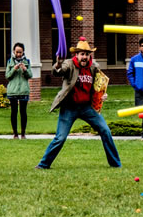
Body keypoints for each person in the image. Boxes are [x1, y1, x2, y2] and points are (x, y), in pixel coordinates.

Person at [36, 38, 121, 169]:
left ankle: (115, 164)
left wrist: (102, 95)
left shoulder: (94, 67)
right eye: (82, 54)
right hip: (69, 107)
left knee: (105, 130)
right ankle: (43, 165)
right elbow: (57, 72)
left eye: (87, 54)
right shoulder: (69, 64)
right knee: (60, 137)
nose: (84, 57)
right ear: (77, 55)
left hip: (87, 107)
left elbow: (98, 86)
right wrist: (58, 64)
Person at [5, 43, 31, 139]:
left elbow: (30, 75)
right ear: (13, 52)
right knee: (14, 112)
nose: (19, 54)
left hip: (23, 91)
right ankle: (15, 134)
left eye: (20, 52)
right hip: (13, 91)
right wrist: (14, 69)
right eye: (17, 52)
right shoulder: (10, 62)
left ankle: (23, 134)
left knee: (23, 113)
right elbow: (7, 76)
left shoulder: (27, 61)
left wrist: (25, 69)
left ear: (23, 52)